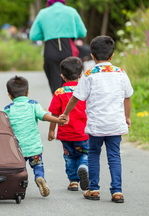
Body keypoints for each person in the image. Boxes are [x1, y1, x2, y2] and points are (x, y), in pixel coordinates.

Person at [61, 36, 134, 203]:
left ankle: (93, 189)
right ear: (112, 56)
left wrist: (66, 113)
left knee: (93, 154)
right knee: (114, 156)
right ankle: (117, 191)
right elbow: (127, 97)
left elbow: (76, 97)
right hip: (115, 123)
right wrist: (127, 117)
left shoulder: (89, 74)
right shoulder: (120, 73)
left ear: (92, 56)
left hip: (96, 125)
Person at [3, 75, 66, 197]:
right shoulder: (33, 105)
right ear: (27, 93)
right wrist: (57, 120)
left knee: (19, 169)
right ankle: (40, 177)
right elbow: (44, 116)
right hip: (33, 148)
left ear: (9, 95)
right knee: (38, 164)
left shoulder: (8, 110)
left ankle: (20, 187)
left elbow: (1, 126)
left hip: (16, 149)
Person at [48, 57, 89, 191]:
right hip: (83, 133)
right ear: (81, 75)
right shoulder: (85, 91)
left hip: (65, 134)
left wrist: (51, 131)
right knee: (84, 154)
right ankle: (83, 166)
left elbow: (54, 114)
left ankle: (73, 182)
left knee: (69, 157)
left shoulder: (59, 92)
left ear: (62, 76)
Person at [29, 0, 87, 94]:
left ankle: (57, 105)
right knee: (71, 81)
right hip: (68, 48)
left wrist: (48, 34)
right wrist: (71, 32)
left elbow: (33, 35)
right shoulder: (71, 11)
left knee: (54, 83)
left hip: (50, 48)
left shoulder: (43, 13)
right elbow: (83, 32)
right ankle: (70, 105)